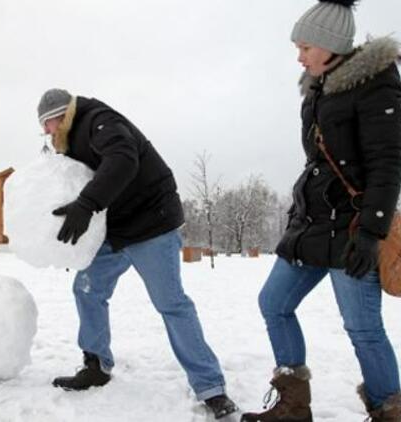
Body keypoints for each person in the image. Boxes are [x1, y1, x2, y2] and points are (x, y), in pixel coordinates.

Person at [241, 0, 401, 420]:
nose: (299, 55)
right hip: (311, 225)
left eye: (306, 46)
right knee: (273, 303)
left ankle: (390, 410)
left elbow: (387, 166)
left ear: (331, 45)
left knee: (363, 329)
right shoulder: (316, 89)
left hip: (351, 229)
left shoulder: (376, 85)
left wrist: (371, 234)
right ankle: (293, 405)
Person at [37, 88, 238, 418]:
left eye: (48, 122)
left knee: (171, 304)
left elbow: (123, 159)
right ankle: (96, 365)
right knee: (87, 289)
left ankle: (211, 387)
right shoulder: (72, 142)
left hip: (152, 227)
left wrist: (87, 204)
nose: (47, 130)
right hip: (115, 231)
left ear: (64, 114)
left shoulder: (99, 122)